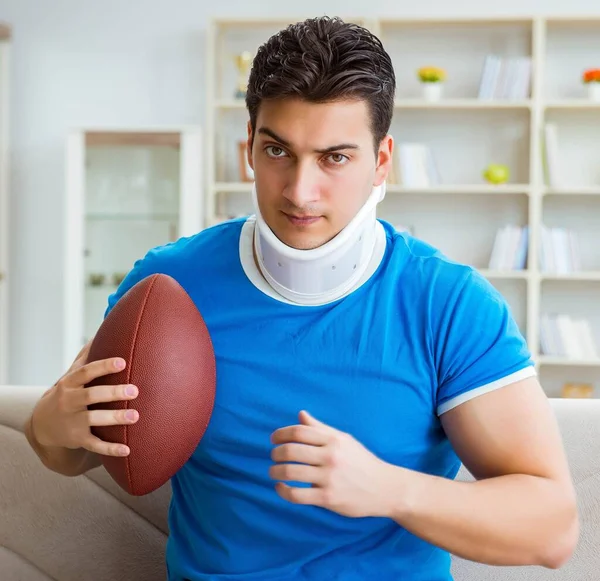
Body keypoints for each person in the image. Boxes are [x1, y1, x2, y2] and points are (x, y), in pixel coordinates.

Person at [25, 15, 578, 581]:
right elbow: (72, 452)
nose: (299, 190)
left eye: (334, 157)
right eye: (277, 152)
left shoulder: (447, 303)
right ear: (249, 147)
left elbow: (552, 530)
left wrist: (389, 489)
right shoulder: (168, 285)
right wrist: (51, 426)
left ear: (381, 159)